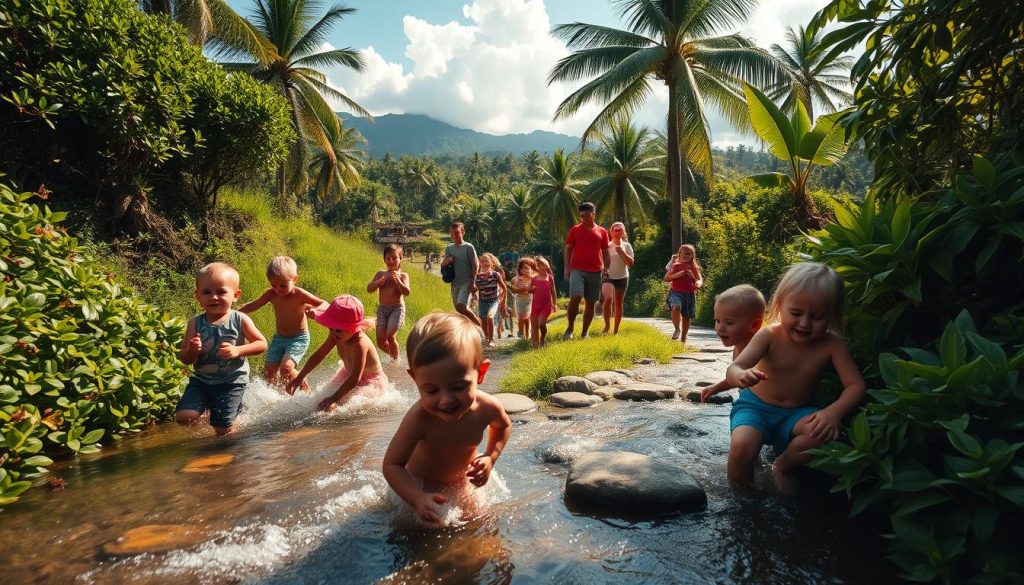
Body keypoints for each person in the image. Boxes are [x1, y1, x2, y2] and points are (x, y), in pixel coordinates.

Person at [725, 262, 866, 494]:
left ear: (832, 315)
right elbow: (735, 366)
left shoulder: (832, 345)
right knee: (742, 447)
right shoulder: (769, 335)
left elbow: (856, 385)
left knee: (824, 433)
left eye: (817, 316)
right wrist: (741, 374)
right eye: (796, 313)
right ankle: (740, 499)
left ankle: (781, 466)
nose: (804, 323)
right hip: (755, 408)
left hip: (795, 414)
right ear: (780, 306)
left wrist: (833, 412)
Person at [382, 312, 513, 527]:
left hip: (462, 483)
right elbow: (392, 465)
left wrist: (490, 456)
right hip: (417, 487)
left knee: (480, 522)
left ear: (481, 372)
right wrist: (416, 498)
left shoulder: (487, 407)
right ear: (415, 378)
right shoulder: (419, 419)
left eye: (458, 387)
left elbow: (503, 425)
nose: (445, 401)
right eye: (431, 390)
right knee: (425, 533)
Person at [176, 262, 268, 436]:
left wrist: (238, 350)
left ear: (236, 295)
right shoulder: (195, 323)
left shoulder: (240, 319)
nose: (214, 297)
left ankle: (231, 420)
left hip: (231, 382)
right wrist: (192, 350)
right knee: (184, 417)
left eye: (221, 292)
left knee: (222, 430)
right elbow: (184, 358)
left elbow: (261, 343)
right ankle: (213, 410)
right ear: (197, 296)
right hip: (202, 381)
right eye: (206, 292)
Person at [286, 295, 389, 412]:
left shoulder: (360, 344)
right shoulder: (336, 335)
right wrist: (300, 377)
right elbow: (319, 355)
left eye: (339, 329)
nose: (334, 332)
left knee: (350, 406)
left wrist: (334, 399)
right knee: (320, 401)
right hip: (347, 374)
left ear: (353, 328)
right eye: (331, 328)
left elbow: (355, 378)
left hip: (370, 382)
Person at [239, 256, 325, 389]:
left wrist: (315, 310)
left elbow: (324, 304)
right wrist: (234, 312)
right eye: (274, 285)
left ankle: (301, 382)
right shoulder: (271, 294)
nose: (278, 289)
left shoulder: (300, 294)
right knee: (269, 373)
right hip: (279, 338)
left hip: (298, 338)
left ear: (295, 279)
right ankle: (275, 399)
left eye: (283, 285)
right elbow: (253, 305)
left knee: (286, 368)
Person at [700, 285, 766, 402]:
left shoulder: (763, 350)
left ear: (754, 325)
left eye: (729, 323)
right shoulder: (737, 348)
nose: (720, 328)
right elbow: (738, 378)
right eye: (717, 321)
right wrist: (717, 387)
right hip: (751, 403)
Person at [562, 202, 611, 340]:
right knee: (576, 296)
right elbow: (568, 249)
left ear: (594, 215)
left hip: (596, 271)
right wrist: (566, 268)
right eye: (582, 216)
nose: (584, 219)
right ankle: (570, 328)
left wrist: (607, 267)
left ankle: (584, 332)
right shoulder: (575, 230)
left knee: (591, 302)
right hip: (577, 269)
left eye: (587, 216)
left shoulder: (602, 231)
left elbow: (605, 252)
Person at [368, 244, 411, 361]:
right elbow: (369, 289)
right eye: (388, 258)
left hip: (397, 309)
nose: (391, 261)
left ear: (400, 259)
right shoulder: (380, 274)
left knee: (390, 336)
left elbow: (406, 292)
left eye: (394, 258)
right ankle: (394, 358)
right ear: (384, 260)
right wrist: (377, 283)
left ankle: (396, 362)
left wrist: (398, 281)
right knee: (380, 342)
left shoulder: (403, 275)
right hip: (382, 310)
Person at [440, 222, 481, 326]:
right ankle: (470, 330)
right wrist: (447, 261)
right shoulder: (449, 248)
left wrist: (474, 282)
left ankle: (478, 325)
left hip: (467, 281)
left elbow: (476, 264)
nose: (453, 235)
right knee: (459, 310)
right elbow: (443, 265)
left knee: (461, 306)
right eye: (451, 233)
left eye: (456, 233)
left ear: (463, 232)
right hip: (454, 282)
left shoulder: (468, 247)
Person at [600, 222, 635, 335]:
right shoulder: (607, 246)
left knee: (618, 303)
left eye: (620, 230)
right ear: (611, 232)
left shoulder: (626, 246)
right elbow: (601, 261)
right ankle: (607, 326)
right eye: (615, 230)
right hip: (608, 276)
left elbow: (630, 264)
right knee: (608, 299)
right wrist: (603, 270)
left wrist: (622, 253)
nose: (617, 232)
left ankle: (616, 330)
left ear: (623, 232)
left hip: (622, 277)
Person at [664, 244, 703, 344]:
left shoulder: (693, 267)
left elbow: (699, 280)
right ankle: (677, 329)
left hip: (689, 294)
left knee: (686, 317)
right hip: (676, 292)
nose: (687, 256)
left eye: (690, 254)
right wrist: (677, 274)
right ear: (680, 254)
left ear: (692, 256)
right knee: (676, 307)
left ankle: (683, 340)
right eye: (685, 253)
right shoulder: (675, 266)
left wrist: (693, 279)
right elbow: (666, 278)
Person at [474, 253, 507, 348]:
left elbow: (504, 288)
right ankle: (487, 337)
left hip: (493, 301)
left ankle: (492, 339)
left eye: (486, 261)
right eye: (482, 261)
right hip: (482, 302)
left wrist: (503, 300)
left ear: (492, 263)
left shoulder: (495, 275)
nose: (484, 263)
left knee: (490, 317)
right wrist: (474, 294)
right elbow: (475, 289)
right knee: (483, 321)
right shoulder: (477, 276)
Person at [529, 256, 557, 349]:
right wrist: (532, 289)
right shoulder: (534, 279)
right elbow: (529, 290)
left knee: (541, 324)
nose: (541, 267)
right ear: (537, 267)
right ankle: (535, 347)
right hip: (535, 305)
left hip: (546, 305)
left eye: (543, 265)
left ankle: (542, 338)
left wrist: (555, 303)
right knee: (534, 327)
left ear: (547, 266)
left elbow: (553, 291)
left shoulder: (550, 278)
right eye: (539, 265)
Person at [510, 257, 535, 340]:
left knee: (527, 318)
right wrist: (519, 289)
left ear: (531, 269)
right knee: (520, 317)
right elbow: (513, 290)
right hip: (520, 300)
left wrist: (527, 288)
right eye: (524, 268)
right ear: (520, 269)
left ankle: (527, 335)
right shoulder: (515, 279)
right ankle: (520, 332)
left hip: (529, 300)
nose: (526, 270)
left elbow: (534, 289)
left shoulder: (533, 279)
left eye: (528, 268)